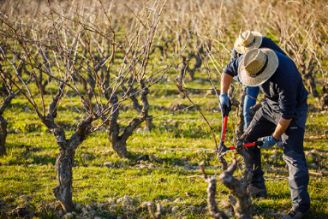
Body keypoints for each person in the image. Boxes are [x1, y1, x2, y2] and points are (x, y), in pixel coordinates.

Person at [220, 48, 310, 219]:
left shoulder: (285, 78)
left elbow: (287, 115)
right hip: (269, 104)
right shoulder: (250, 60)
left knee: (292, 155)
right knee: (246, 141)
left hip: (294, 110)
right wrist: (223, 95)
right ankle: (257, 186)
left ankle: (300, 207)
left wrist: (274, 138)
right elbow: (227, 70)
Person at [221, 30, 286, 130]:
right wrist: (223, 94)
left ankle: (279, 133)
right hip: (251, 76)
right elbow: (230, 70)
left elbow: (284, 59)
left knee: (277, 106)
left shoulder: (267, 43)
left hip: (270, 74)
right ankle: (248, 132)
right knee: (248, 106)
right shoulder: (237, 50)